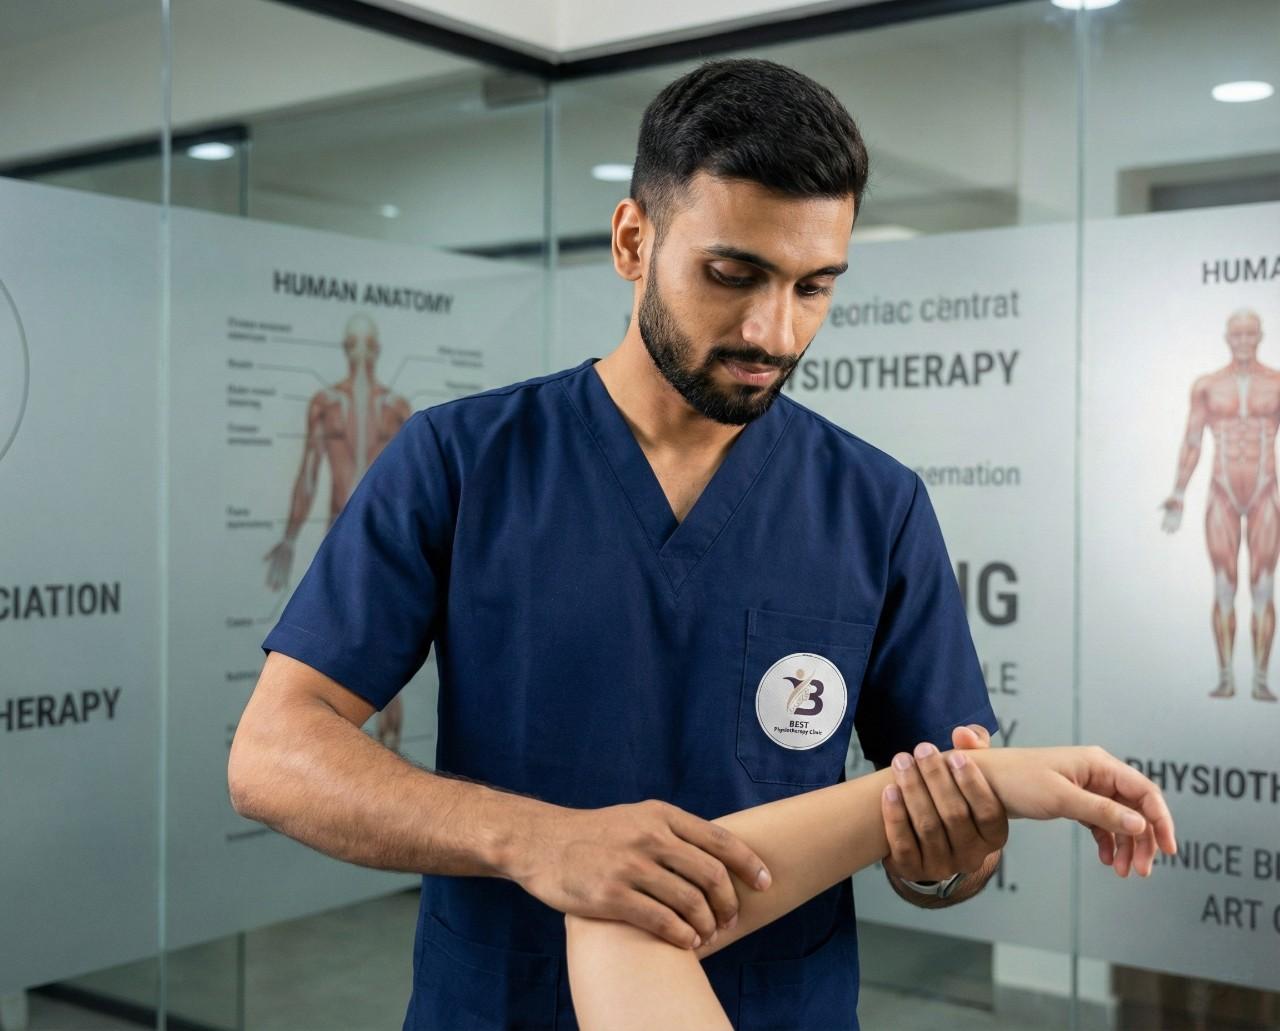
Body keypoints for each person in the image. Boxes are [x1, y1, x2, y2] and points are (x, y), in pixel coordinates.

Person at [230, 59, 1068, 1029]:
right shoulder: (460, 463)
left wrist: (945, 859)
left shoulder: (872, 506)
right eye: (732, 273)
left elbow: (954, 847)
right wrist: (532, 839)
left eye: (813, 286)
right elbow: (272, 751)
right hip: (505, 1000)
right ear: (633, 240)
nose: (772, 328)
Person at [567, 742, 1176, 1029]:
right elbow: (630, 909)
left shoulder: (876, 506)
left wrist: (981, 780)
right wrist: (975, 775)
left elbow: (626, 908)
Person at [262, 312, 412, 747]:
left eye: (367, 345)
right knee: (323, 665)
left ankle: (389, 783)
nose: (361, 355)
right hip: (340, 538)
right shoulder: (325, 404)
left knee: (390, 666)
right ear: (345, 349)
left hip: (389, 544)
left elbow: (410, 488)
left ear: (378, 350)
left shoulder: (397, 408)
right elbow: (309, 475)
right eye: (354, 345)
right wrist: (289, 539)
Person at [1161, 309, 1279, 701]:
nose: (1244, 340)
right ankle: (1227, 676)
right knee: (1224, 585)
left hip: (1265, 490)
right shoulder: (1208, 386)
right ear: (1228, 338)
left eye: (1250, 334)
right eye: (1237, 334)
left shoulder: (1277, 384)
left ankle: (1261, 679)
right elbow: (1192, 441)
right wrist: (1178, 494)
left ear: (1260, 336)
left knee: (1263, 585)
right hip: (1222, 491)